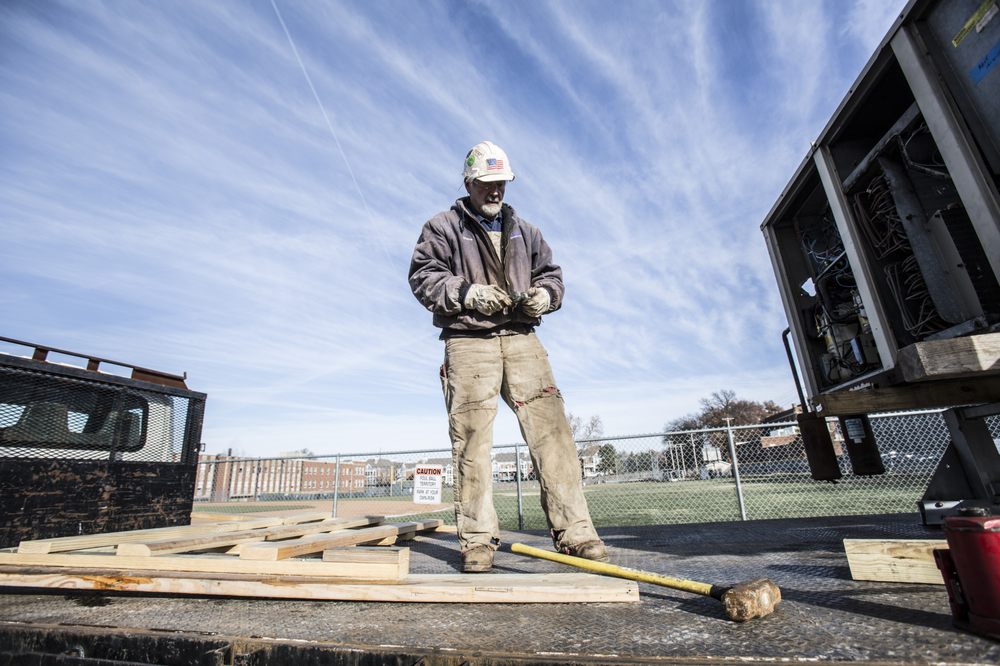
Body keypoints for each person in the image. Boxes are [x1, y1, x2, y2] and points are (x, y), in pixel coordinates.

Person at [408, 140, 608, 573]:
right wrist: (468, 293)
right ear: (468, 183)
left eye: (501, 182)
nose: (495, 190)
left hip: (521, 338)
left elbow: (552, 275)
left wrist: (545, 296)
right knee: (472, 441)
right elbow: (424, 276)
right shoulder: (443, 227)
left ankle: (575, 533)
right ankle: (478, 541)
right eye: (486, 183)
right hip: (468, 340)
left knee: (553, 434)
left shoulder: (526, 231)